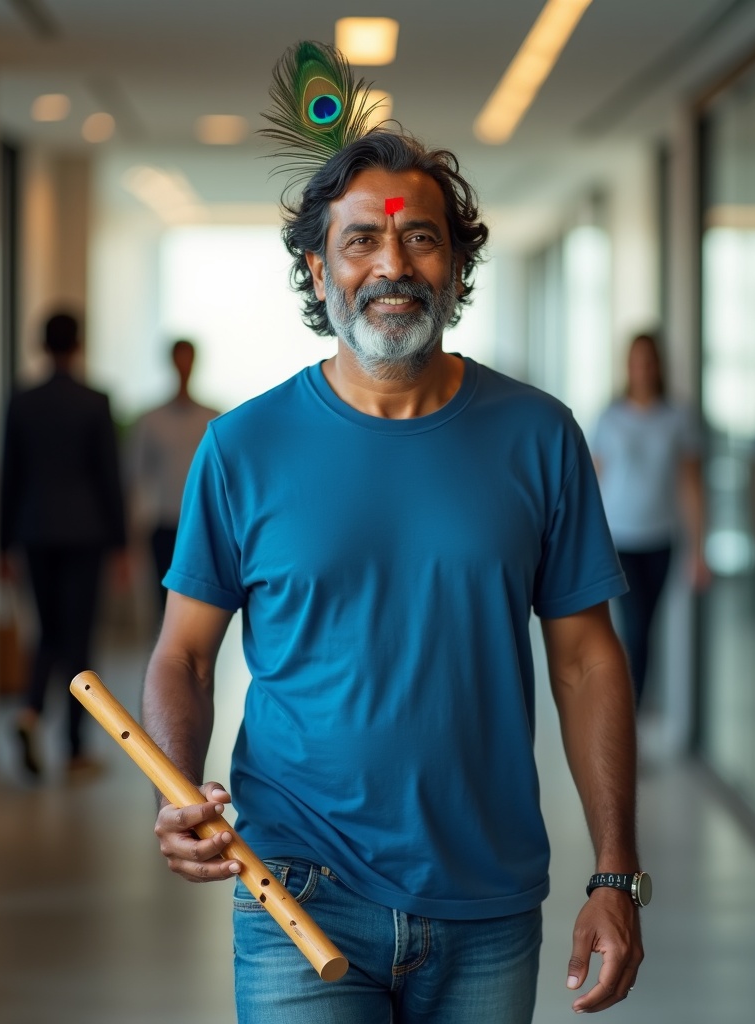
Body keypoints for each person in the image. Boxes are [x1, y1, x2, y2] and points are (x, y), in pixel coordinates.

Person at [145, 51, 644, 1022]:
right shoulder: (240, 447)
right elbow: (184, 655)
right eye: (362, 242)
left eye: (420, 239)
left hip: (488, 900)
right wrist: (172, 791)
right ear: (317, 266)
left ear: (453, 265)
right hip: (294, 884)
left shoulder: (538, 435)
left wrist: (615, 874)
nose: (391, 265)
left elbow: (586, 661)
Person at [0, 310, 128, 780]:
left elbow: (8, 477)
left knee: (47, 634)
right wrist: (120, 544)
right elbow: (108, 479)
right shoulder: (94, 402)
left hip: (34, 531)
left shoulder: (21, 401)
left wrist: (2, 546)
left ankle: (30, 712)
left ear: (42, 344)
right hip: (85, 532)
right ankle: (74, 749)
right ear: (79, 345)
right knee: (78, 638)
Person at [591, 333, 709, 709]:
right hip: (619, 539)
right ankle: (629, 711)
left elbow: (691, 486)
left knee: (646, 632)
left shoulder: (677, 417)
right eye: (636, 361)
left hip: (660, 540)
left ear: (658, 366)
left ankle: (633, 712)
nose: (642, 369)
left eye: (649, 361)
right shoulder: (609, 417)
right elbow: (592, 484)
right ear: (628, 366)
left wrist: (699, 550)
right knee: (634, 629)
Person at [127, 339, 219, 617]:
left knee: (198, 604)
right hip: (163, 522)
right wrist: (132, 530)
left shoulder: (210, 419)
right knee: (162, 603)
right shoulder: (151, 420)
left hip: (200, 523)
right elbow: (135, 476)